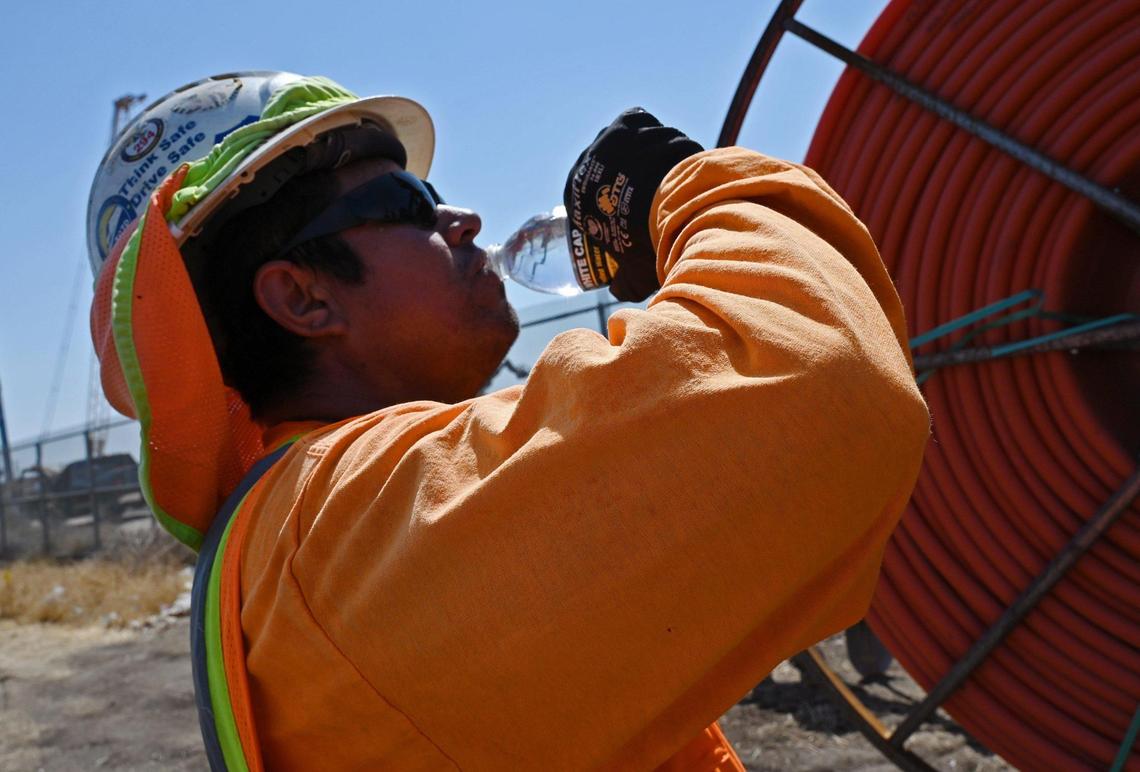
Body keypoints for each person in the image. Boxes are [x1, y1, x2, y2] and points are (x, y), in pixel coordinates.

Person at [88, 72, 929, 770]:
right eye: (408, 200)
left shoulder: (309, 536)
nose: (465, 221)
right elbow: (813, 385)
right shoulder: (350, 523)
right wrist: (684, 190)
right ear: (301, 296)